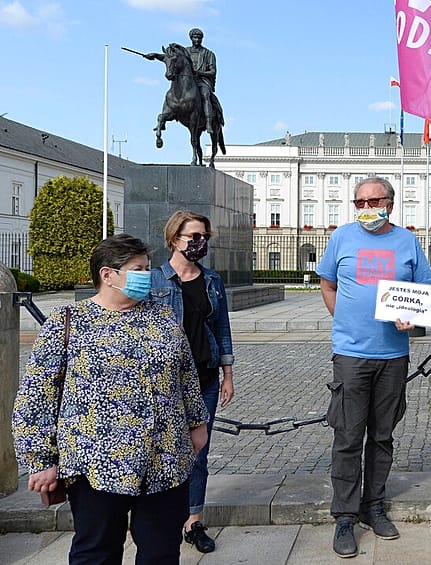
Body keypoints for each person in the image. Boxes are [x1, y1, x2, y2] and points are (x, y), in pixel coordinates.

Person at [13, 234, 209, 564]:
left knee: (161, 551)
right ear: (108, 275)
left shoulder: (162, 317)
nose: (146, 275)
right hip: (97, 464)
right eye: (138, 269)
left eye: (147, 268)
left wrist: (196, 422)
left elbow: (186, 374)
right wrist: (41, 459)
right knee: (96, 551)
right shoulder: (68, 322)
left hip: (164, 460)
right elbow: (36, 395)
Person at [316, 177, 431, 558]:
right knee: (348, 438)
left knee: (382, 436)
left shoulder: (407, 242)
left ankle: (374, 505)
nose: (366, 208)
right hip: (351, 354)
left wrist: (413, 322)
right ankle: (346, 516)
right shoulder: (342, 238)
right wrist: (345, 321)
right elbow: (327, 284)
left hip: (393, 355)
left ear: (390, 202)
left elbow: (426, 294)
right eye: (360, 202)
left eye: (373, 201)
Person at [150, 210, 235, 554]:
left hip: (205, 378)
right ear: (174, 240)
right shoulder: (155, 281)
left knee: (199, 453)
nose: (200, 243)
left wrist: (228, 374)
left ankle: (192, 521)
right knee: (162, 450)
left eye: (204, 237)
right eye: (193, 237)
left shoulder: (212, 280)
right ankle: (158, 516)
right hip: (165, 382)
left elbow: (222, 329)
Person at [145, 28, 217, 134]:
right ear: (191, 38)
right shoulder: (185, 51)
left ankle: (208, 123)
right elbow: (169, 58)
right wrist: (155, 55)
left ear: (202, 39)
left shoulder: (208, 54)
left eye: (199, 37)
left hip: (201, 81)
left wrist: (200, 72)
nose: (197, 39)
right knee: (170, 94)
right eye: (194, 37)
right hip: (185, 81)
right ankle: (163, 118)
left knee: (205, 94)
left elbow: (212, 71)